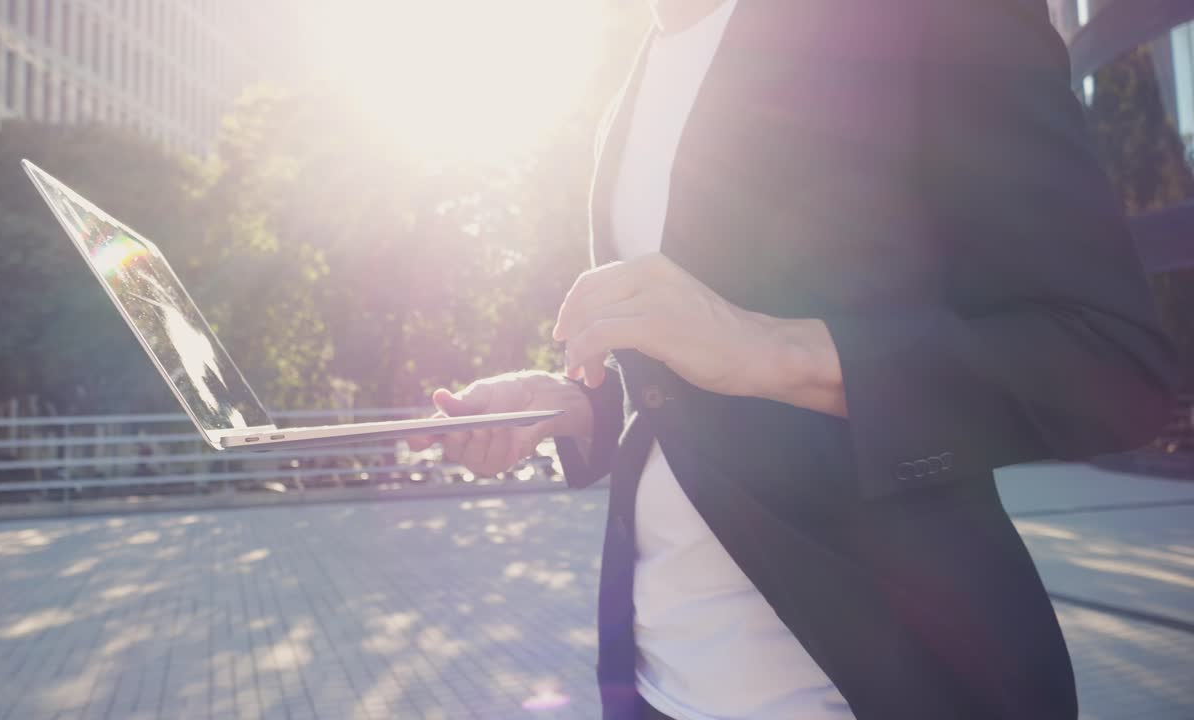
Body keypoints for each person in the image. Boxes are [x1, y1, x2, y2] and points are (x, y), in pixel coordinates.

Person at [410, 1, 1180, 718]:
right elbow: (691, 374)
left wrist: (770, 349)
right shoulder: (641, 67)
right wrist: (578, 403)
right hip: (656, 682)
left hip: (880, 680)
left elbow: (1114, 363)